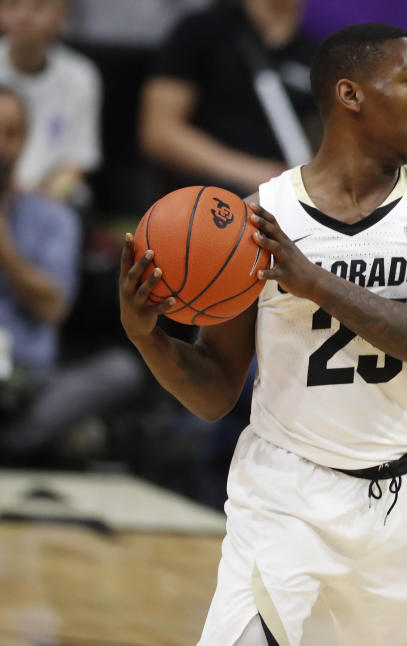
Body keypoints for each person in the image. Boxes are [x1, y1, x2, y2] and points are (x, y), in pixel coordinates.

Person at [119, 23, 407, 646]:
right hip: (286, 496)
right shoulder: (256, 219)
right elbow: (214, 393)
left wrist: (315, 282)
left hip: (406, 502)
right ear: (350, 95)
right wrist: (148, 337)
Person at [0, 85, 140, 460]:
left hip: (28, 379)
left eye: (10, 133)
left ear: (24, 140)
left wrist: (4, 245)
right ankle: (27, 442)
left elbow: (53, 307)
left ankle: (18, 440)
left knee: (120, 371)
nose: (0, 145)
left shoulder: (53, 217)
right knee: (75, 434)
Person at [140, 0, 317, 198]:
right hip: (209, 190)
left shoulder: (318, 51)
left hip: (284, 191)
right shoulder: (201, 32)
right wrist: (253, 174)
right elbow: (160, 133)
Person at [0, 0, 101, 203]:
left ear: (62, 17)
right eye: (12, 5)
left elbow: (75, 167)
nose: (23, 17)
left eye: (38, 7)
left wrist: (40, 198)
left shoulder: (81, 76)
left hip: (50, 200)